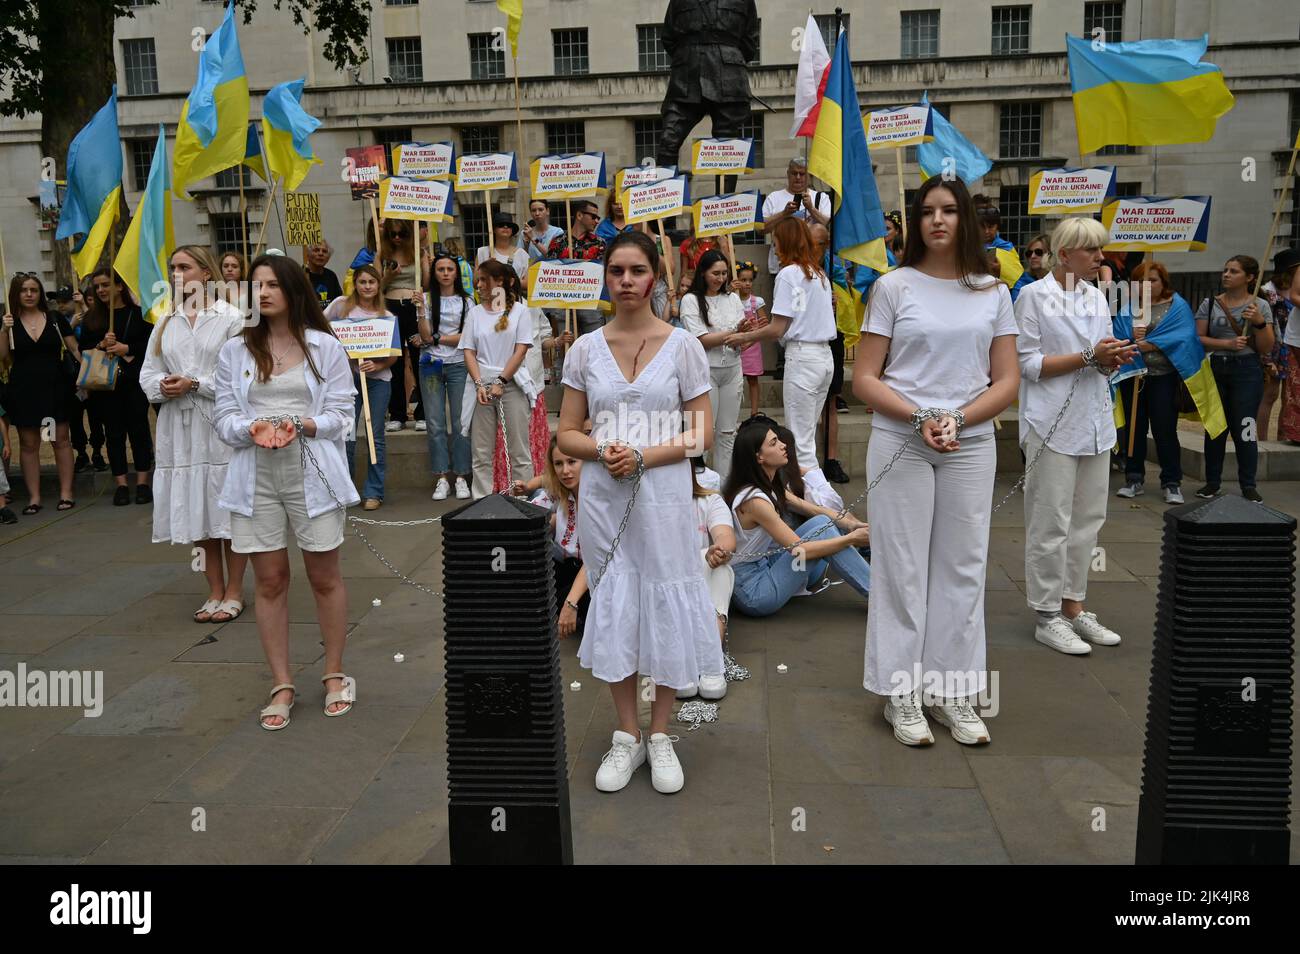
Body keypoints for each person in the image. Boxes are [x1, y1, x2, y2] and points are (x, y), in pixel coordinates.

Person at [852, 175, 1020, 748]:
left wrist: (961, 419)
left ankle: (952, 690)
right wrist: (921, 416)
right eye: (927, 211)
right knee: (901, 567)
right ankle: (902, 691)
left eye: (950, 210)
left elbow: (1008, 380)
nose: (938, 220)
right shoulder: (893, 287)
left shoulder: (993, 292)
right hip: (901, 440)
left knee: (963, 566)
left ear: (966, 219)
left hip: (970, 444)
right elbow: (865, 378)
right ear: (916, 221)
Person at [557, 230, 721, 795]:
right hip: (605, 497)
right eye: (616, 271)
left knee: (667, 597)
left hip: (665, 494)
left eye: (636, 271)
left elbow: (702, 431)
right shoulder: (583, 349)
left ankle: (660, 733)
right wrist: (604, 451)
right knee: (619, 601)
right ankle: (625, 734)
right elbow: (566, 433)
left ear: (655, 277)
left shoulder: (684, 346)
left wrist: (645, 454)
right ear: (605, 278)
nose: (625, 281)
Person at [213, 253, 358, 731]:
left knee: (324, 575)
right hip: (256, 475)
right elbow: (223, 416)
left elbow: (343, 413)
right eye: (256, 286)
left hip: (312, 473)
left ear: (293, 289)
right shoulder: (235, 351)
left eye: (273, 284)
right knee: (270, 580)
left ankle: (334, 673)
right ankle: (281, 681)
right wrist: (251, 426)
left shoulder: (324, 347)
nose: (264, 293)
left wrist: (302, 423)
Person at [1015, 217, 1137, 656]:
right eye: (1091, 251)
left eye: (1100, 250)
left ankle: (1074, 605)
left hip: (1095, 420)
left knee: (1088, 520)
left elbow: (1099, 357)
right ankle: (1047, 614)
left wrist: (1111, 360)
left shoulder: (1096, 297)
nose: (1100, 258)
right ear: (1064, 254)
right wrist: (1089, 356)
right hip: (1050, 422)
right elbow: (1027, 364)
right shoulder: (1032, 296)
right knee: (1050, 521)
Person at [140, 245, 249, 623]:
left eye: (184, 266)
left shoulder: (231, 318)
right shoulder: (165, 320)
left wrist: (196, 382)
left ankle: (234, 590)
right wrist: (164, 386)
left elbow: (241, 376)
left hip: (217, 425)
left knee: (226, 509)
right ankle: (214, 590)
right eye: (172, 267)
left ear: (206, 273)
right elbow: (148, 372)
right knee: (196, 511)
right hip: (179, 428)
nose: (176, 273)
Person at [725, 422, 871, 617]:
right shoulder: (755, 502)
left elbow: (812, 509)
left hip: (767, 565)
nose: (784, 445)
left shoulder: (768, 486)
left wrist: (852, 525)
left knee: (822, 523)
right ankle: (879, 595)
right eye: (774, 442)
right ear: (759, 457)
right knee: (824, 536)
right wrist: (852, 539)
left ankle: (871, 580)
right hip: (754, 592)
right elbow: (800, 550)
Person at [724, 217, 834, 473]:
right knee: (807, 438)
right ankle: (813, 498)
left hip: (804, 357)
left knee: (799, 440)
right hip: (822, 358)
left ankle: (815, 502)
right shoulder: (819, 274)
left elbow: (778, 327)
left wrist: (743, 338)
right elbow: (793, 317)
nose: (774, 249)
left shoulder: (788, 275)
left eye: (775, 243)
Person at [1195, 255, 1275, 501]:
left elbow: (1266, 347)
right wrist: (1226, 343)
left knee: (1245, 428)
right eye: (1225, 270)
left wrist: (1259, 323)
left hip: (1247, 370)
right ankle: (1212, 481)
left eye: (1234, 271)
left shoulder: (1259, 306)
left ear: (1249, 278)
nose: (1226, 275)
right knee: (1215, 428)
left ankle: (1248, 484)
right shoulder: (1210, 304)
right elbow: (1198, 338)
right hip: (1217, 366)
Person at [0, 273, 80, 513]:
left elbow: (74, 349)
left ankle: (66, 493)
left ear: (40, 294)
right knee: (29, 443)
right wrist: (4, 330)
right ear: (16, 293)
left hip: (54, 388)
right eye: (24, 290)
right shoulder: (10, 322)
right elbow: (3, 357)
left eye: (34, 290)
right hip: (24, 390)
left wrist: (86, 379)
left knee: (59, 439)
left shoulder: (54, 318)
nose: (29, 294)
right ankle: (34, 497)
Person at [324, 265, 401, 511]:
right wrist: (338, 354)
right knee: (345, 436)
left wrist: (377, 364)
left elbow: (394, 356)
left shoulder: (386, 316)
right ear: (355, 284)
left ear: (378, 285)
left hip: (378, 382)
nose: (367, 286)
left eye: (371, 282)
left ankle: (374, 491)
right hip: (346, 381)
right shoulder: (340, 306)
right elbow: (321, 329)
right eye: (362, 282)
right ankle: (344, 490)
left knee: (374, 436)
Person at [656, 0, 760, 183]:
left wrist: (726, 56)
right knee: (668, 140)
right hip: (686, 79)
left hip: (729, 78)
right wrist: (691, 56)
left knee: (727, 149)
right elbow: (668, 37)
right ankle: (667, 209)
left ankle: (725, 208)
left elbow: (749, 42)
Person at [460, 259, 536, 499]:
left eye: (484, 279)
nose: (479, 285)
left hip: (510, 385)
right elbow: (468, 351)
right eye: (478, 280)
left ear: (499, 281)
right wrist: (479, 383)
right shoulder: (474, 313)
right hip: (481, 386)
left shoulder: (520, 311)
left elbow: (521, 349)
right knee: (481, 452)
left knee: (519, 449)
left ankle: (524, 499)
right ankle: (481, 500)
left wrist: (501, 381)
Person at [1114, 261, 1189, 503]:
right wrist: (1131, 339)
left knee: (1164, 429)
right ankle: (1134, 478)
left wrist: (1152, 343)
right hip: (1133, 376)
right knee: (1134, 429)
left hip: (1163, 377)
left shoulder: (1177, 307)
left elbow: (1184, 337)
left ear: (1163, 282)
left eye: (1152, 280)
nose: (1146, 285)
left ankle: (1171, 482)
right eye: (1140, 281)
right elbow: (1116, 337)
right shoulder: (1129, 308)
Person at [80, 269, 154, 506]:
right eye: (97, 286)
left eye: (105, 285)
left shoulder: (139, 314)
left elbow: (151, 345)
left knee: (139, 432)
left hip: (133, 382)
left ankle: (143, 482)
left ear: (119, 287)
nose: (101, 290)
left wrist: (127, 348)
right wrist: (101, 344)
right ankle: (121, 484)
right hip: (105, 386)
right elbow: (84, 350)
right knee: (114, 434)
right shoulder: (91, 318)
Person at [680, 248, 745, 484]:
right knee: (701, 435)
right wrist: (736, 334)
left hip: (733, 368)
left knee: (727, 433)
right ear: (703, 273)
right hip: (704, 373)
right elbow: (701, 340)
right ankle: (698, 485)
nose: (720, 278)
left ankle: (725, 486)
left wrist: (746, 335)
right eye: (715, 273)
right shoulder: (690, 300)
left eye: (724, 273)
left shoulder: (733, 298)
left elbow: (742, 338)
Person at [675, 461, 737, 702]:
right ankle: (698, 658)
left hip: (704, 584)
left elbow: (725, 537)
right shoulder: (649, 507)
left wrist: (718, 550)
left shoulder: (709, 500)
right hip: (667, 587)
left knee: (719, 567)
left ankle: (708, 659)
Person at [417, 252, 474, 500]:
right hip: (431, 364)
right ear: (434, 273)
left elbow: (467, 337)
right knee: (435, 422)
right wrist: (420, 311)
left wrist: (438, 338)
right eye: (440, 269)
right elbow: (425, 334)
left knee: (461, 421)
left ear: (456, 272)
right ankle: (441, 476)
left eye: (450, 269)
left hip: (459, 363)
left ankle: (461, 475)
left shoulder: (467, 301)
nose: (446, 273)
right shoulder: (428, 299)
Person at [808, 221, 851, 483]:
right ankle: (809, 462)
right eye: (813, 242)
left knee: (831, 402)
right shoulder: (795, 271)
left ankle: (831, 460)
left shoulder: (834, 270)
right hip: (807, 348)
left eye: (822, 243)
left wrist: (838, 300)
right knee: (809, 405)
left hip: (831, 340)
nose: (817, 248)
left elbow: (847, 302)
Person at [379, 219, 426, 431]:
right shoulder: (381, 254)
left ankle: (422, 412)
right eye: (392, 234)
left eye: (401, 234)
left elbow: (425, 283)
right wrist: (389, 275)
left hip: (413, 307)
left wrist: (425, 263)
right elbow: (375, 285)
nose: (397, 238)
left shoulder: (419, 252)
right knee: (394, 361)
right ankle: (397, 413)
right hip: (390, 307)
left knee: (418, 359)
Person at [761, 158, 831, 276]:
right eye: (794, 173)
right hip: (781, 265)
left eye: (802, 174)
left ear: (808, 175)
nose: (798, 177)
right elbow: (760, 229)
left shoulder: (821, 197)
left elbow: (828, 225)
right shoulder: (773, 197)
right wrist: (784, 214)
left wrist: (811, 208)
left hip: (814, 265)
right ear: (788, 174)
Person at [546, 200, 606, 336]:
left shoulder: (599, 243)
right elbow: (549, 272)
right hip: (564, 302)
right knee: (567, 347)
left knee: (594, 344)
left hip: (590, 301)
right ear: (579, 215)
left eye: (598, 218)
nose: (597, 221)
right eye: (593, 217)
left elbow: (604, 272)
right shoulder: (558, 242)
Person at [1257, 248, 1296, 440]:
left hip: (1292, 347)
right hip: (1273, 348)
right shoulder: (1267, 292)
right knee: (1269, 395)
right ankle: (1261, 439)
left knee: (1288, 397)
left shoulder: (1296, 289)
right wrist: (1267, 359)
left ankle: (1283, 436)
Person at [972, 195, 1031, 302]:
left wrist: (998, 272)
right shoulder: (966, 248)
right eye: (982, 227)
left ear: (997, 226)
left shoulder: (1006, 247)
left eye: (990, 227)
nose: (986, 231)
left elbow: (1018, 282)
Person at [733, 260, 768, 418]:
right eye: (743, 280)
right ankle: (733, 412)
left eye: (750, 280)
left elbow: (764, 325)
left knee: (753, 380)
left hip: (752, 347)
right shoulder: (731, 299)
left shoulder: (757, 301)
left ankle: (754, 412)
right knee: (734, 381)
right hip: (736, 346)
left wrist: (750, 340)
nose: (747, 284)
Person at [1272, 249, 1300, 443]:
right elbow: (1295, 296)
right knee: (1293, 388)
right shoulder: (1269, 292)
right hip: (1292, 340)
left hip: (1289, 338)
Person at [475, 212, 530, 283]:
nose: (505, 227)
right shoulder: (483, 252)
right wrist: (485, 267)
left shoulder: (522, 254)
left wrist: (506, 281)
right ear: (493, 229)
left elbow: (527, 283)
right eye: (501, 225)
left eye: (509, 225)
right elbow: (475, 283)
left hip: (513, 294)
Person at [520, 199, 564, 264]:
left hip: (551, 272)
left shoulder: (557, 232)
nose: (537, 213)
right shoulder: (525, 232)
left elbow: (553, 256)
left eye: (540, 210)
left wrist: (533, 238)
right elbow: (521, 259)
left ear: (547, 211)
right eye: (533, 210)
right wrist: (526, 245)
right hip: (532, 271)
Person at [304, 241, 343, 307]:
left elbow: (338, 301)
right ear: (307, 255)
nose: (321, 254)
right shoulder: (300, 274)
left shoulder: (331, 276)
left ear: (328, 257)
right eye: (316, 250)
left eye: (324, 251)